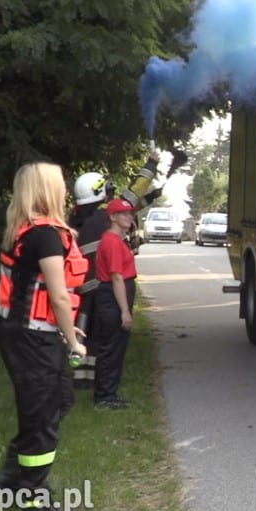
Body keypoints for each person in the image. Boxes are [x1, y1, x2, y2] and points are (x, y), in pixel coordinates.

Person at [0, 161, 88, 511]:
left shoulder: (27, 230)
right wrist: (73, 340)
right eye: (60, 183)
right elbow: (59, 297)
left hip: (26, 334)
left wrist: (63, 331)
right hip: (32, 339)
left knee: (57, 402)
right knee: (42, 420)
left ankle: (11, 477)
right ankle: (35, 505)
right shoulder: (45, 235)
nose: (65, 189)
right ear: (48, 189)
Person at [68, 149, 162, 388]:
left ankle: (81, 378)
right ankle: (97, 381)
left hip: (80, 289)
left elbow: (128, 208)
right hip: (103, 287)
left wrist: (150, 199)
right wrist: (151, 164)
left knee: (82, 331)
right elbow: (132, 194)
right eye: (107, 191)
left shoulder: (75, 221)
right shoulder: (103, 219)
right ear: (99, 192)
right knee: (101, 337)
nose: (111, 195)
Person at [91, 198, 139, 409]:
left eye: (130, 213)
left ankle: (109, 394)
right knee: (110, 349)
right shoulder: (111, 242)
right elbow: (116, 277)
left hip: (114, 297)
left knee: (115, 349)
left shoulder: (118, 241)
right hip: (112, 298)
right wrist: (125, 311)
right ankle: (104, 397)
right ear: (112, 217)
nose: (129, 217)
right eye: (123, 213)